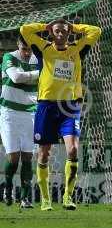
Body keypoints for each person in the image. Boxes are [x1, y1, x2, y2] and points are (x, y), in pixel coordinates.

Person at [20, 19, 101, 211]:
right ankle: (46, 200)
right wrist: (45, 26)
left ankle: (68, 197)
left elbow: (96, 30)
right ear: (51, 32)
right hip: (46, 105)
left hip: (69, 106)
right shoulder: (43, 48)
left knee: (72, 150)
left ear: (68, 33)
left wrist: (74, 27)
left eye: (64, 31)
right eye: (56, 31)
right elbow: (24, 29)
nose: (60, 34)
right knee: (44, 153)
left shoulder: (77, 49)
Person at [0, 35, 38, 208]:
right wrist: (38, 74)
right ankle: (7, 187)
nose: (27, 52)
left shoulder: (38, 59)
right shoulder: (9, 57)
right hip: (9, 111)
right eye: (24, 49)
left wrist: (28, 75)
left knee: (28, 156)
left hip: (30, 112)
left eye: (30, 49)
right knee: (14, 157)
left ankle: (24, 198)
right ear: (18, 45)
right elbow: (16, 77)